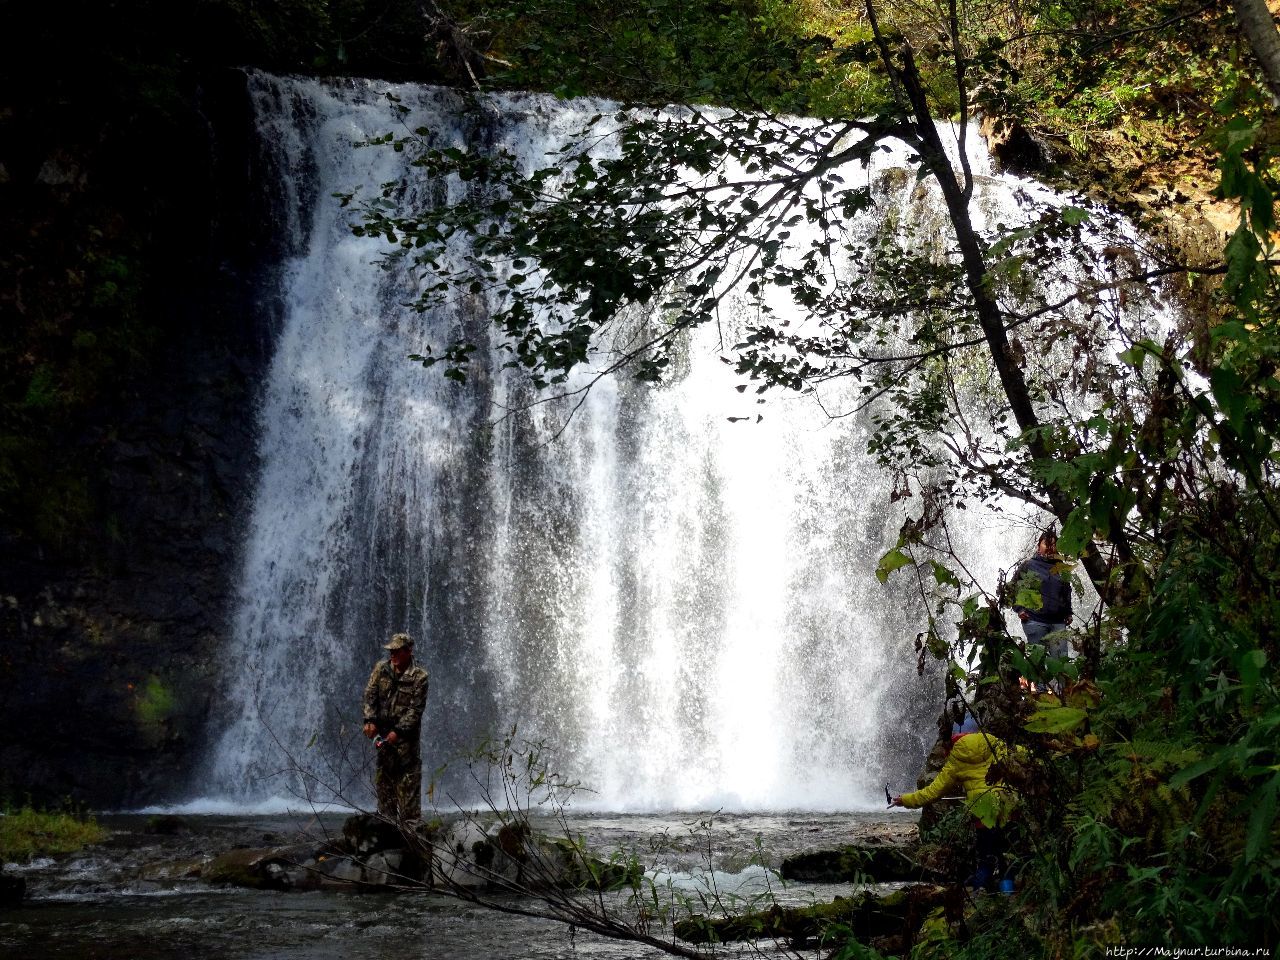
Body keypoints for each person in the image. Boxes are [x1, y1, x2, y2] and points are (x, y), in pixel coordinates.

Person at [891, 714, 1016, 891]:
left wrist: (905, 800)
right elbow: (1018, 758)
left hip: (983, 812)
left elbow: (933, 792)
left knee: (986, 856)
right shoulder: (994, 743)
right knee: (1005, 854)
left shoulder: (957, 756)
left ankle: (981, 895)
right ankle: (1008, 893)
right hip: (1007, 806)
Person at [362, 632, 430, 821]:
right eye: (391, 651)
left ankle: (411, 841)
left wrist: (397, 732)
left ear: (408, 651)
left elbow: (415, 710)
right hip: (383, 741)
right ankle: (387, 839)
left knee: (409, 804)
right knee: (385, 798)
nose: (392, 654)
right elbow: (370, 695)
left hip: (406, 745)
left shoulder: (420, 677)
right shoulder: (381, 669)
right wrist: (369, 720)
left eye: (397, 651)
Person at [1011, 530, 1073, 667]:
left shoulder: (1061, 568)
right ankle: (1040, 688)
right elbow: (1012, 588)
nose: (1050, 548)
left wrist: (1068, 612)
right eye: (1046, 544)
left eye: (1053, 544)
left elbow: (1066, 591)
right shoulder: (1028, 565)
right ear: (1039, 545)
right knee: (1038, 662)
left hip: (1058, 622)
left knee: (1061, 662)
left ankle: (1061, 689)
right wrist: (1019, 609)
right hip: (1034, 620)